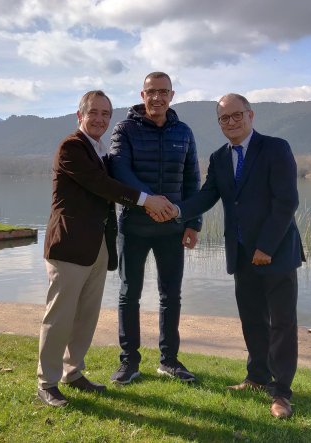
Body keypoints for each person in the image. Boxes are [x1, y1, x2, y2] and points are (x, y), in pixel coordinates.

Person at [166, 93, 304, 418]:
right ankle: (257, 377)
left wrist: (266, 246)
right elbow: (206, 196)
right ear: (219, 123)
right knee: (253, 320)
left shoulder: (275, 148)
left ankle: (282, 393)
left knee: (282, 324)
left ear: (250, 115)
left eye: (236, 115)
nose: (231, 122)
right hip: (241, 254)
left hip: (277, 251)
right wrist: (176, 210)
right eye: (224, 118)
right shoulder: (218, 158)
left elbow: (287, 202)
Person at [37, 90, 175, 407]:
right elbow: (104, 187)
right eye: (94, 112)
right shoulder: (72, 147)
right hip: (69, 246)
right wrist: (146, 200)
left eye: (105, 114)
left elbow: (119, 178)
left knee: (86, 315)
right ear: (79, 115)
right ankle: (47, 382)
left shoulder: (101, 151)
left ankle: (73, 373)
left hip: (97, 246)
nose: (100, 119)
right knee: (59, 317)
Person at [108, 72, 202, 384]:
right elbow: (119, 171)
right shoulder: (125, 129)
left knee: (170, 295)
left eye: (163, 92)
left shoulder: (184, 132)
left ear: (172, 95)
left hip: (172, 229)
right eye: (151, 92)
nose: (157, 98)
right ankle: (129, 361)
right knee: (128, 293)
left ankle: (169, 360)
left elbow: (192, 180)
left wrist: (193, 223)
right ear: (142, 94)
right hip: (134, 226)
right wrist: (149, 201)